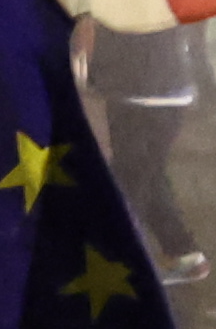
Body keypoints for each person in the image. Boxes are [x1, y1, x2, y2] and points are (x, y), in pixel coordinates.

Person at [84, 23, 208, 286]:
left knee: (130, 183)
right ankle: (183, 252)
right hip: (172, 87)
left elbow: (90, 23)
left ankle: (124, 265)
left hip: (134, 92)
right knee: (149, 176)